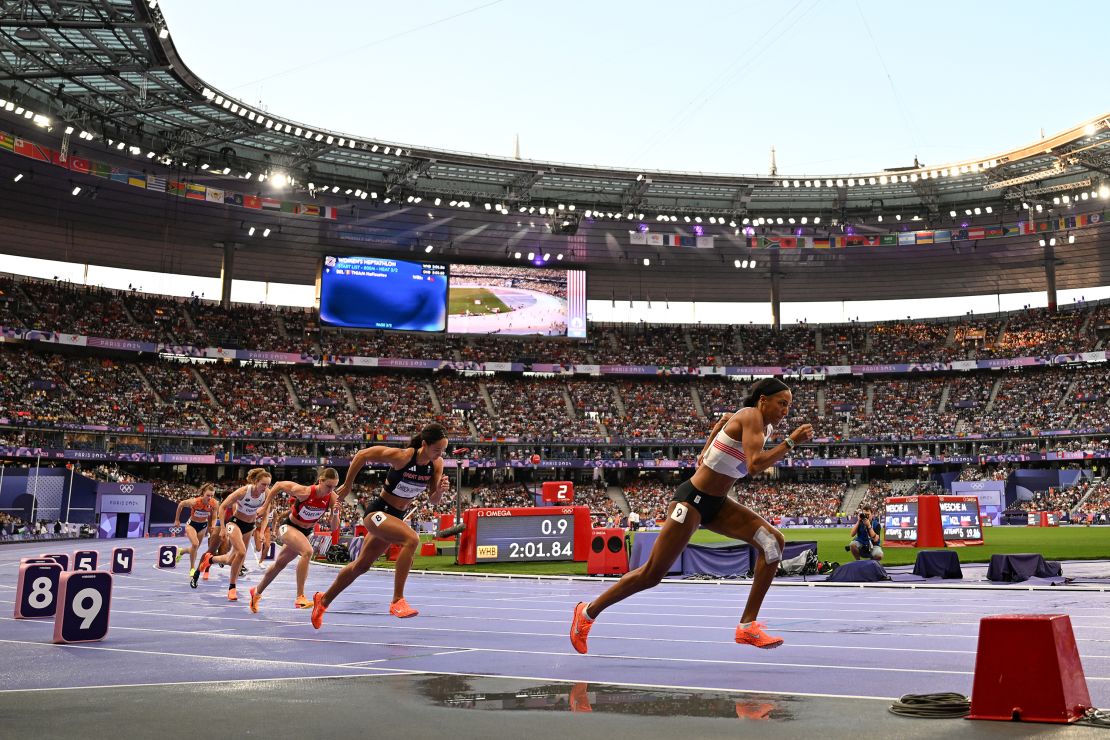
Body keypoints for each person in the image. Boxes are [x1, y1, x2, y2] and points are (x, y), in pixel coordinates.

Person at [569, 378, 814, 654]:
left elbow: (723, 422)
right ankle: (587, 613)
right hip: (692, 501)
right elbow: (755, 465)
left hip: (718, 504)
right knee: (651, 574)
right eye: (782, 403)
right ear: (763, 400)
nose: (786, 411)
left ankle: (747, 626)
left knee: (772, 543)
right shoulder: (751, 415)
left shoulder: (760, 424)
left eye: (789, 406)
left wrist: (707, 448)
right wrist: (791, 442)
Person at [310, 423, 451, 629]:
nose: (440, 454)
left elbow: (434, 500)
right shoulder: (402, 456)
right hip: (378, 512)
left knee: (361, 566)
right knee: (412, 539)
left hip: (395, 517)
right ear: (424, 444)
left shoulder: (436, 464)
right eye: (437, 449)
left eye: (443, 450)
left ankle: (322, 601)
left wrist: (439, 490)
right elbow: (362, 454)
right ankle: (397, 601)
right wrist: (349, 484)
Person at [248, 469, 340, 612]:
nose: (331, 490)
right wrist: (265, 506)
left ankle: (256, 592)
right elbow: (278, 485)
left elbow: (334, 528)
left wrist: (334, 513)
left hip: (305, 532)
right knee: (307, 551)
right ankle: (300, 597)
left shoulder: (332, 497)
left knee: (279, 564)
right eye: (329, 486)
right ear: (320, 481)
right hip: (289, 527)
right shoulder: (304, 491)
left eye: (334, 487)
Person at [197, 468, 272, 602]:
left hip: (249, 527)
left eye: (268, 485)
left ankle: (211, 560)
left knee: (231, 560)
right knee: (242, 552)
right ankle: (232, 587)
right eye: (263, 484)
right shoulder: (243, 491)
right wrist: (223, 528)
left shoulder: (266, 493)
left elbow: (266, 514)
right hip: (235, 523)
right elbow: (223, 507)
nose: (266, 487)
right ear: (255, 482)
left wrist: (261, 532)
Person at [172, 483, 222, 585]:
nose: (210, 497)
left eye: (212, 495)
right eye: (208, 495)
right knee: (195, 544)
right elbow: (181, 504)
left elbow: (214, 517)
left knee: (195, 548)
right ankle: (192, 568)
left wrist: (212, 526)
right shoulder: (195, 502)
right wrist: (177, 520)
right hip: (192, 525)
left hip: (203, 526)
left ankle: (181, 551)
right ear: (203, 493)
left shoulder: (214, 503)